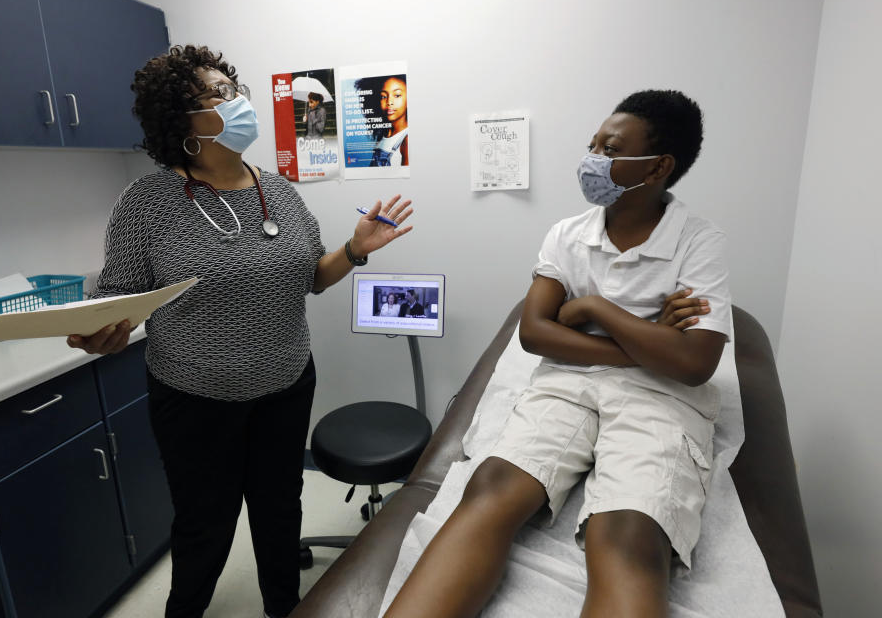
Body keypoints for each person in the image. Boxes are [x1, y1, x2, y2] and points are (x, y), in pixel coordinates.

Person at [65, 45, 413, 618]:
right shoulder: (146, 202)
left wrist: (353, 250)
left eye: (234, 88)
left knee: (281, 512)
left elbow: (309, 280)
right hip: (194, 401)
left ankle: (285, 606)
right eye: (217, 95)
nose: (237, 102)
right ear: (182, 121)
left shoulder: (277, 190)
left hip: (285, 385)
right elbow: (116, 303)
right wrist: (103, 331)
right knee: (205, 526)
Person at [384, 90, 730, 618]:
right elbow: (534, 334)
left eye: (609, 149)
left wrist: (594, 307)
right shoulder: (566, 235)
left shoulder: (699, 242)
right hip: (568, 383)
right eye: (592, 144)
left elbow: (695, 363)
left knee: (628, 532)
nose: (591, 159)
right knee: (490, 493)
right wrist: (651, 338)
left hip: (662, 397)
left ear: (658, 167)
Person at [369, 75, 408, 166]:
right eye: (383, 96)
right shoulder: (382, 134)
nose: (389, 102)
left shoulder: (406, 139)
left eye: (397, 95)